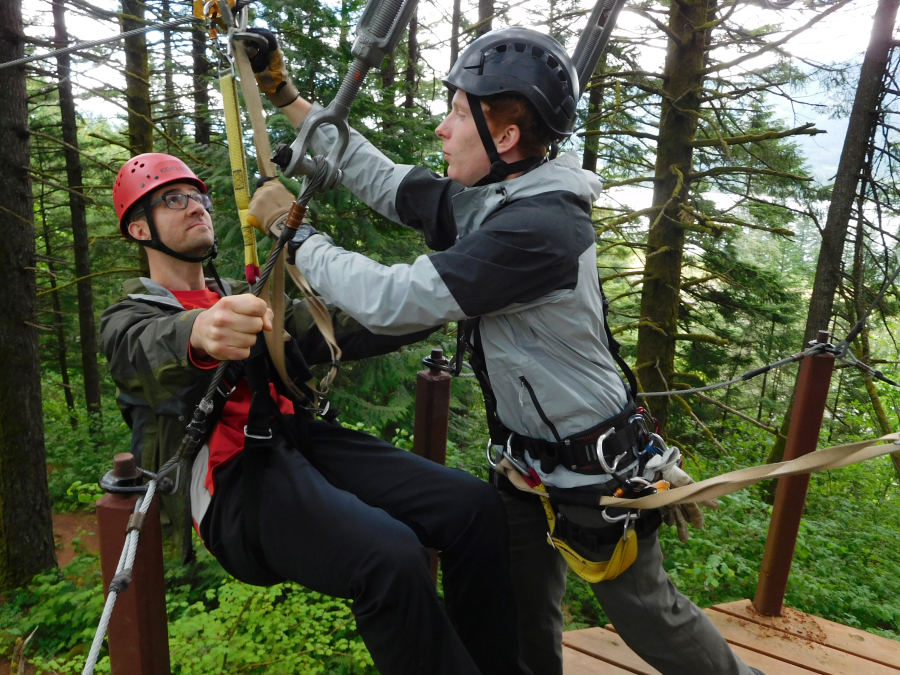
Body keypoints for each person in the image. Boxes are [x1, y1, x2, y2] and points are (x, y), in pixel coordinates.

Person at [247, 26, 766, 675]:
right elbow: (384, 182)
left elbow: (394, 298)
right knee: (523, 622)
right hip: (522, 464)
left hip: (594, 474)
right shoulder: (496, 196)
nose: (442, 128)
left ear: (508, 136)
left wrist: (295, 238)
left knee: (648, 616)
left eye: (458, 113)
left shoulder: (539, 228)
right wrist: (288, 96)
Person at [100, 152, 533, 675]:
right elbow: (145, 350)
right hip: (229, 482)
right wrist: (200, 333)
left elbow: (340, 326)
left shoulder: (246, 297)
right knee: (389, 557)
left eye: (198, 196)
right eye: (173, 199)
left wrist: (456, 293)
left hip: (296, 439)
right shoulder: (133, 316)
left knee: (475, 508)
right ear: (139, 227)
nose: (195, 207)